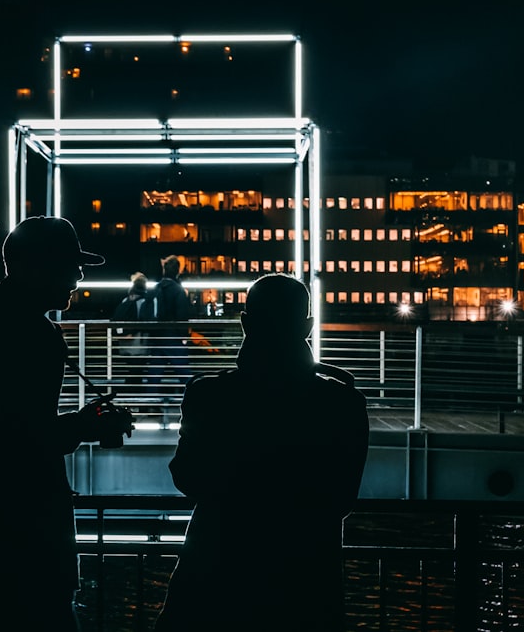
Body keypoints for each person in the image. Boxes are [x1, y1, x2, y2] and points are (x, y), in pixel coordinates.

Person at [0, 215, 134, 631]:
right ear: (38, 267)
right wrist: (88, 426)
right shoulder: (32, 331)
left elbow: (4, 428)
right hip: (25, 526)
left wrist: (82, 424)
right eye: (70, 265)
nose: (79, 276)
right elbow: (20, 437)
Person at [153, 273, 370, 631]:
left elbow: (187, 477)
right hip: (305, 585)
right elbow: (341, 500)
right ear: (308, 326)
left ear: (245, 323)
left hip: (215, 578)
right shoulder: (342, 402)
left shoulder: (209, 395)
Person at [147, 255, 192, 398]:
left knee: (154, 374)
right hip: (173, 336)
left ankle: (149, 403)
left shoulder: (155, 288)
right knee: (184, 372)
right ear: (177, 271)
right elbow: (182, 315)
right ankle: (192, 400)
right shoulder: (178, 290)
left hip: (156, 335)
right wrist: (184, 335)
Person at [110, 271, 156, 394]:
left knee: (132, 371)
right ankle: (136, 398)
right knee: (137, 372)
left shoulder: (126, 300)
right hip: (138, 344)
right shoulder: (145, 301)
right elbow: (147, 321)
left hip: (125, 343)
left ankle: (131, 396)